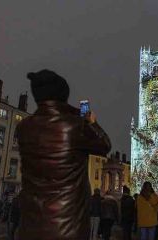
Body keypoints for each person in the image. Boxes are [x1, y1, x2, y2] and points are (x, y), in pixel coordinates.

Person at [17, 69, 111, 240]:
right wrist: (92, 123)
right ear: (63, 94)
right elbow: (104, 146)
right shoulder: (74, 126)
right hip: (67, 229)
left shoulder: (24, 127)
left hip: (29, 227)